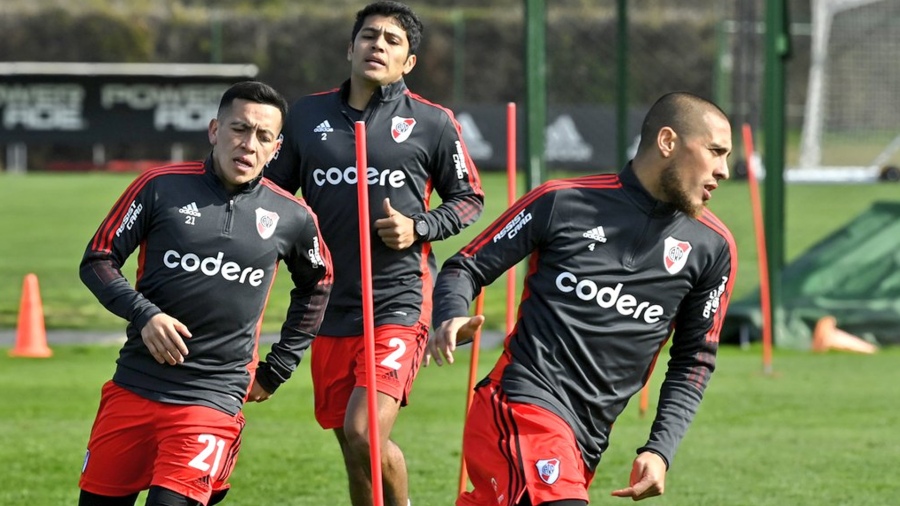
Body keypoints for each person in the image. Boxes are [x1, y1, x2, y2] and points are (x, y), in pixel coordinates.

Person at [428, 91, 737, 506]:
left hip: (586, 442)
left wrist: (659, 449)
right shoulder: (561, 201)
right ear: (668, 143)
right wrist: (450, 315)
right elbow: (465, 266)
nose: (725, 170)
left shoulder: (713, 247)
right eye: (716, 151)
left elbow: (694, 361)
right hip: (521, 406)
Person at [265, 2, 484, 504]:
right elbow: (272, 193)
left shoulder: (433, 122)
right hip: (327, 303)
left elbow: (468, 198)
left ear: (408, 62)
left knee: (364, 430)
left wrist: (419, 227)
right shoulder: (306, 115)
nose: (378, 45)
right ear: (350, 47)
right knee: (355, 444)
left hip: (398, 300)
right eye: (369, 36)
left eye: (392, 40)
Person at [77, 80, 333, 506]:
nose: (249, 144)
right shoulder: (158, 187)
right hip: (135, 384)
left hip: (214, 395)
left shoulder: (292, 215)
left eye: (263, 136)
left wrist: (279, 368)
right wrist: (145, 315)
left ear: (276, 148)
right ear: (215, 130)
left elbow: (318, 284)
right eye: (239, 129)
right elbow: (99, 259)